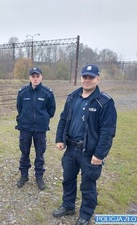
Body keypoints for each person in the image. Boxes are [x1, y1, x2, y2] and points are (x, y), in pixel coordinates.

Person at [52, 64, 117, 225]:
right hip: (71, 148)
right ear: (80, 78)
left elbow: (107, 131)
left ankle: (85, 215)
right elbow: (63, 119)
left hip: (89, 153)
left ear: (98, 79)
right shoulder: (72, 97)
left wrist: (99, 155)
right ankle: (68, 206)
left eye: (91, 77)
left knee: (88, 185)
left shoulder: (104, 102)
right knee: (68, 180)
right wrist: (59, 139)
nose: (87, 80)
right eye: (84, 77)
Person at [15, 67, 56, 190]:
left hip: (40, 129)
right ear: (30, 78)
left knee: (40, 153)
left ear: (41, 77)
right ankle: (24, 175)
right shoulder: (22, 92)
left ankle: (39, 177)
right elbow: (19, 107)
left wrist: (42, 119)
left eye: (37, 76)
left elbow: (51, 111)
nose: (35, 78)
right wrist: (24, 118)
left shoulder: (47, 93)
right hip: (25, 127)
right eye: (33, 76)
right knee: (24, 152)